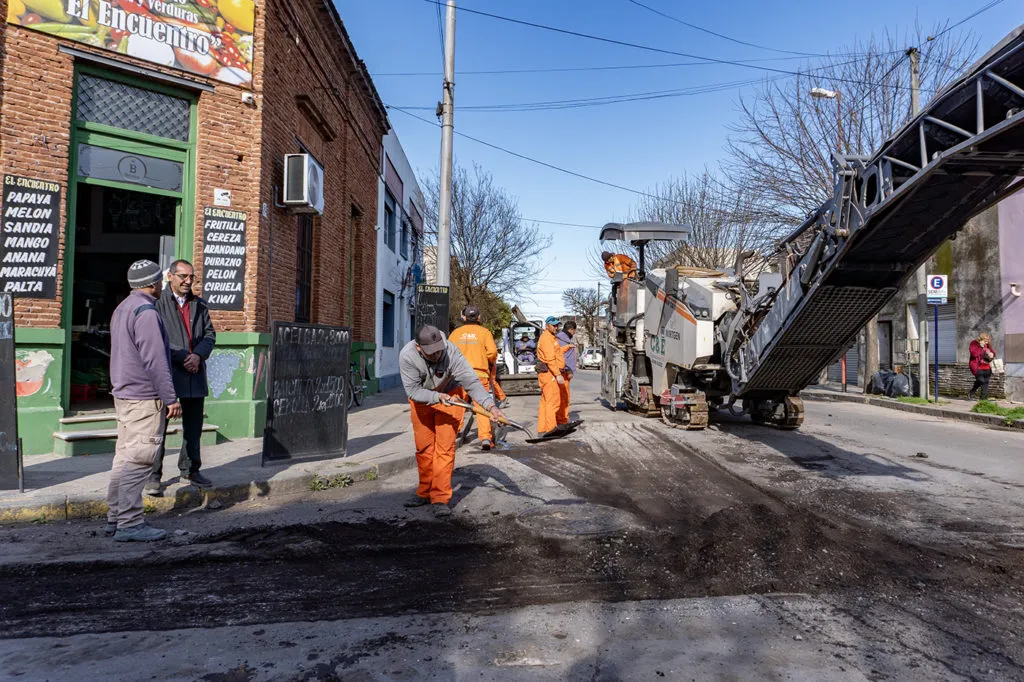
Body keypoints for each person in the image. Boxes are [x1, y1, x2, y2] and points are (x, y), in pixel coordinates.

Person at [106, 260, 181, 542]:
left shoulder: (122, 308)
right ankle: (130, 523)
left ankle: (115, 517)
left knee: (123, 458)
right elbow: (155, 361)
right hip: (143, 399)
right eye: (160, 281)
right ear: (153, 284)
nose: (162, 285)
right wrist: (170, 397)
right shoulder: (146, 312)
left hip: (124, 395)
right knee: (139, 461)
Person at [399, 325, 507, 517]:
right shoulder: (407, 356)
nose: (437, 355)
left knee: (444, 448)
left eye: (439, 350)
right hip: (422, 400)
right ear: (418, 348)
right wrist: (436, 398)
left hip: (451, 396)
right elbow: (413, 391)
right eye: (431, 353)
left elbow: (472, 383)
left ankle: (440, 497)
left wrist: (491, 407)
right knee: (424, 448)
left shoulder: (450, 350)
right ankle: (425, 491)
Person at [146, 259, 216, 495]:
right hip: (169, 374)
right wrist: (183, 356)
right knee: (159, 428)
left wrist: (198, 356)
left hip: (195, 374)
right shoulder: (157, 304)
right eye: (183, 276)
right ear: (170, 276)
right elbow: (156, 339)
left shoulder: (200, 305)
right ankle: (154, 475)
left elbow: (209, 335)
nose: (188, 281)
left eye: (191, 277)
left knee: (193, 428)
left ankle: (190, 469)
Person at [450, 306, 500, 450]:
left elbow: (449, 352)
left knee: (458, 405)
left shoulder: (455, 333)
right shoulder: (484, 332)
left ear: (464, 317)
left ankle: (454, 432)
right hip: (479, 375)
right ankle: (485, 437)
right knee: (482, 406)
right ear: (478, 317)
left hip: (458, 375)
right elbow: (492, 353)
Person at [536, 316, 567, 437]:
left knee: (545, 402)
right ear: (547, 326)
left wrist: (566, 347)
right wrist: (558, 374)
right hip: (550, 374)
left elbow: (556, 352)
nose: (556, 327)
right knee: (553, 402)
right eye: (553, 325)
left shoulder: (549, 338)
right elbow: (550, 359)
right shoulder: (546, 339)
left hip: (548, 374)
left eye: (557, 325)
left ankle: (543, 428)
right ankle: (551, 428)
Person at [555, 320, 577, 427]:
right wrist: (569, 370)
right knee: (564, 397)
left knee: (562, 397)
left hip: (562, 372)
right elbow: (564, 357)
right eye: (574, 331)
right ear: (570, 330)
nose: (575, 333)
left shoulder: (561, 337)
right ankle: (562, 420)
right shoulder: (563, 339)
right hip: (563, 372)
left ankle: (561, 418)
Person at [968, 332, 996, 400]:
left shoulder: (987, 344)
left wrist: (992, 354)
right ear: (981, 339)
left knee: (985, 382)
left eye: (987, 341)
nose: (986, 342)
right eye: (985, 341)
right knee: (981, 380)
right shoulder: (974, 343)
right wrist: (980, 347)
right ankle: (972, 391)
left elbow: (993, 353)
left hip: (987, 367)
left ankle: (983, 399)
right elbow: (974, 354)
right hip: (977, 367)